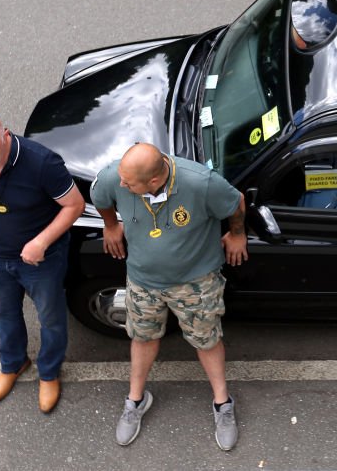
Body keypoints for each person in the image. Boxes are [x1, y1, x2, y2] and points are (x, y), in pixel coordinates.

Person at [89, 143, 248, 450]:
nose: (121, 185)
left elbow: (235, 202)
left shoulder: (200, 182)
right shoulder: (117, 176)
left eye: (128, 183)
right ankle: (136, 400)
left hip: (196, 282)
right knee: (142, 338)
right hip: (143, 280)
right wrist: (110, 225)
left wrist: (237, 233)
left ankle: (222, 403)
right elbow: (101, 196)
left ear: (153, 181)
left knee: (207, 339)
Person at [0, 110, 84, 413]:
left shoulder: (42, 163)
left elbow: (74, 205)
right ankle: (13, 364)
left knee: (51, 319)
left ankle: (49, 372)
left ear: (5, 135)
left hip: (42, 261)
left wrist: (41, 241)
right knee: (4, 313)